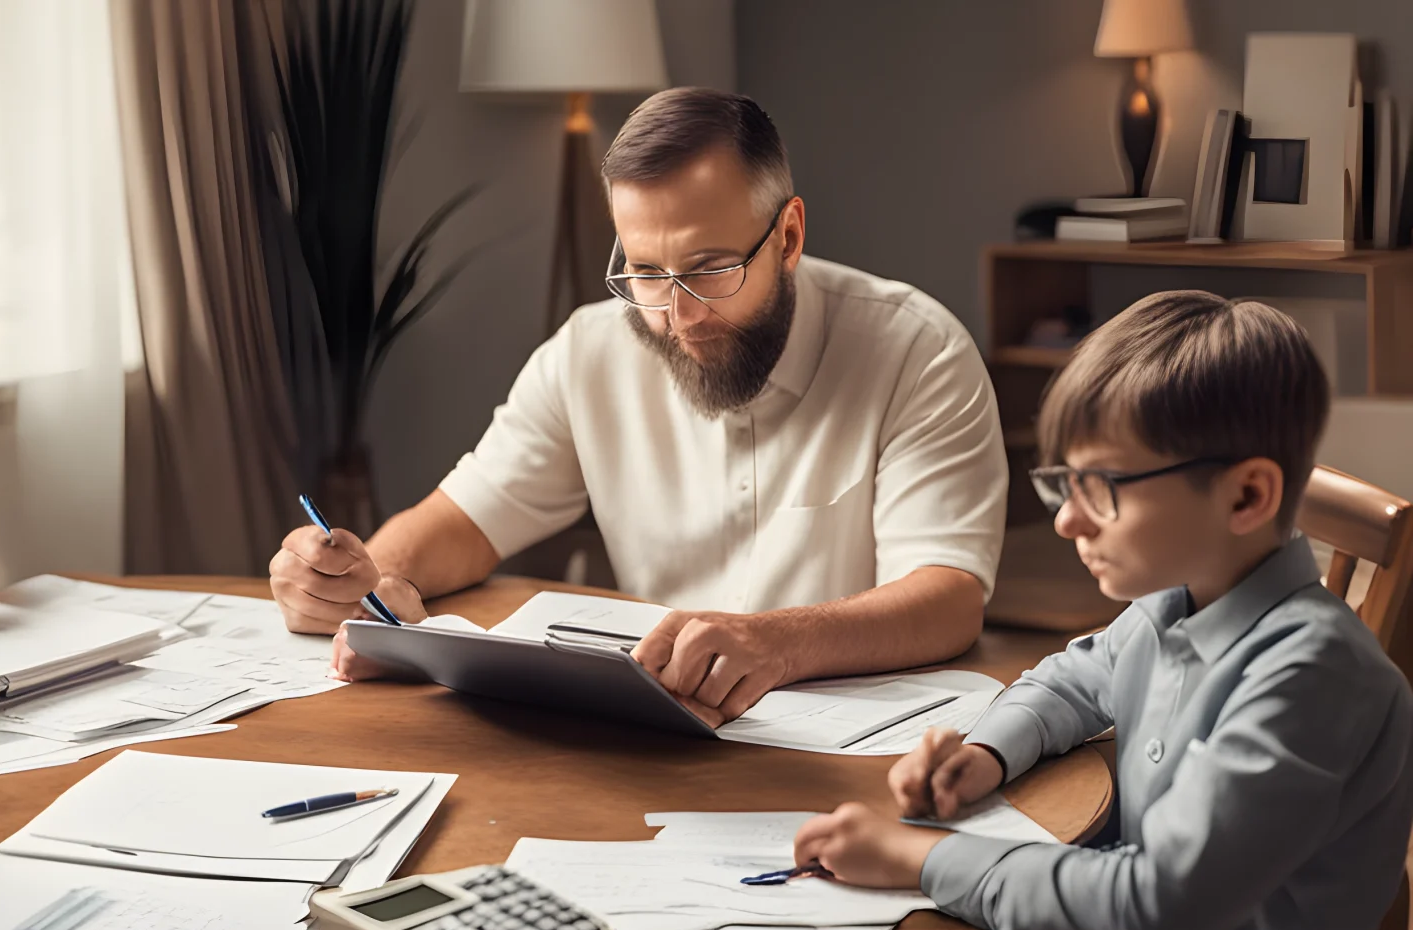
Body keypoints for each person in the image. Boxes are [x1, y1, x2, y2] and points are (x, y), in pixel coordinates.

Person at [793, 291, 1413, 930]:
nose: (1066, 524)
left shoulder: (1314, 677)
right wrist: (986, 753)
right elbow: (1076, 676)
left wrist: (921, 857)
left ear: (1247, 497)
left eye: (1102, 490)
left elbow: (1155, 913)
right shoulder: (1178, 597)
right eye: (1065, 484)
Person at [267, 88, 1007, 726]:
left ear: (787, 236)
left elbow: (948, 596)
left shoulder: (918, 349)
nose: (677, 315)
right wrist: (367, 582)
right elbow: (463, 520)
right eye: (646, 272)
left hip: (858, 746)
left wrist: (776, 641)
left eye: (710, 268)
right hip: (648, 739)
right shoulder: (590, 352)